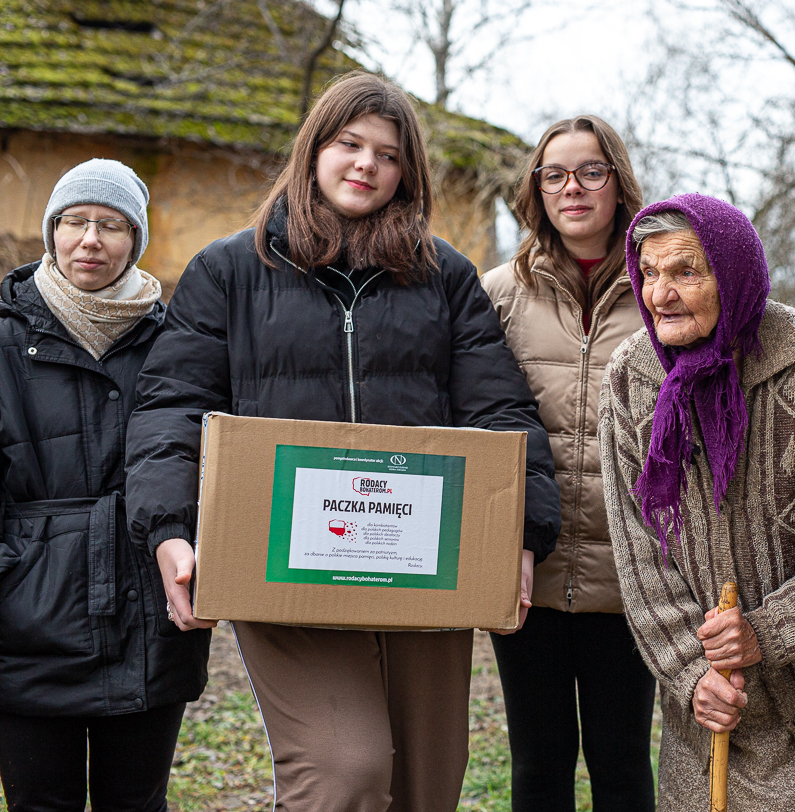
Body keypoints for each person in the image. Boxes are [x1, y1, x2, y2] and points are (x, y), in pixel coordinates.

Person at [124, 72, 561, 812]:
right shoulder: (229, 271)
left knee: (428, 785)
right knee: (344, 772)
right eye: (348, 144)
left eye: (388, 155)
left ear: (407, 172)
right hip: (283, 566)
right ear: (313, 151)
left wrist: (519, 532)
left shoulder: (445, 277)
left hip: (426, 565)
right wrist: (171, 530)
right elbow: (171, 406)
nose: (366, 165)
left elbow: (500, 411)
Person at [599, 193, 795, 810]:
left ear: (732, 273)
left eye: (686, 271)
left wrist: (769, 631)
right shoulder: (633, 379)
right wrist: (690, 673)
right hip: (710, 704)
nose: (660, 294)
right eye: (649, 274)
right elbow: (638, 547)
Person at [0, 159, 210, 810]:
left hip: (149, 609)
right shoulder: (6, 336)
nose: (91, 238)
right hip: (24, 617)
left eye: (112, 225)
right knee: (40, 802)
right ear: (52, 231)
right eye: (75, 221)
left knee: (138, 801)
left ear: (136, 240)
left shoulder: (177, 339)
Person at [479, 115, 654, 811]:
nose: (571, 187)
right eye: (554, 174)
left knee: (621, 761)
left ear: (618, 183)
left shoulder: (661, 287)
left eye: (590, 171)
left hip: (634, 572)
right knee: (538, 761)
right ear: (535, 189)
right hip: (526, 568)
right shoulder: (497, 294)